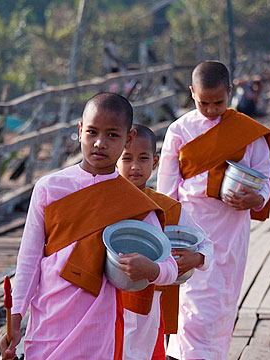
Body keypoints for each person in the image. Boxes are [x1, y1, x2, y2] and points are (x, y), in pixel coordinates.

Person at [0, 93, 178, 360]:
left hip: (99, 327)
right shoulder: (50, 188)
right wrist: (16, 313)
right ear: (80, 131)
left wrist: (151, 269)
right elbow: (28, 259)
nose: (99, 143)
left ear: (128, 139)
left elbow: (170, 267)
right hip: (48, 318)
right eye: (92, 132)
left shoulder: (133, 202)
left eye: (112, 136)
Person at [158, 61, 270, 360]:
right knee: (191, 301)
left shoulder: (247, 131)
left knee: (220, 301)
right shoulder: (179, 130)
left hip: (230, 226)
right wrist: (165, 231)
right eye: (203, 103)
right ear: (192, 93)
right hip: (189, 225)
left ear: (230, 92)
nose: (210, 109)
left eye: (218, 102)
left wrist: (254, 199)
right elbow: (167, 189)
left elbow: (263, 178)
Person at [116, 124, 212, 360]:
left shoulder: (166, 207)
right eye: (127, 158)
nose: (135, 166)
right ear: (115, 160)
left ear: (155, 162)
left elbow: (205, 244)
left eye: (143, 158)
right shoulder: (100, 200)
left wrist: (197, 258)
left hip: (149, 306)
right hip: (108, 302)